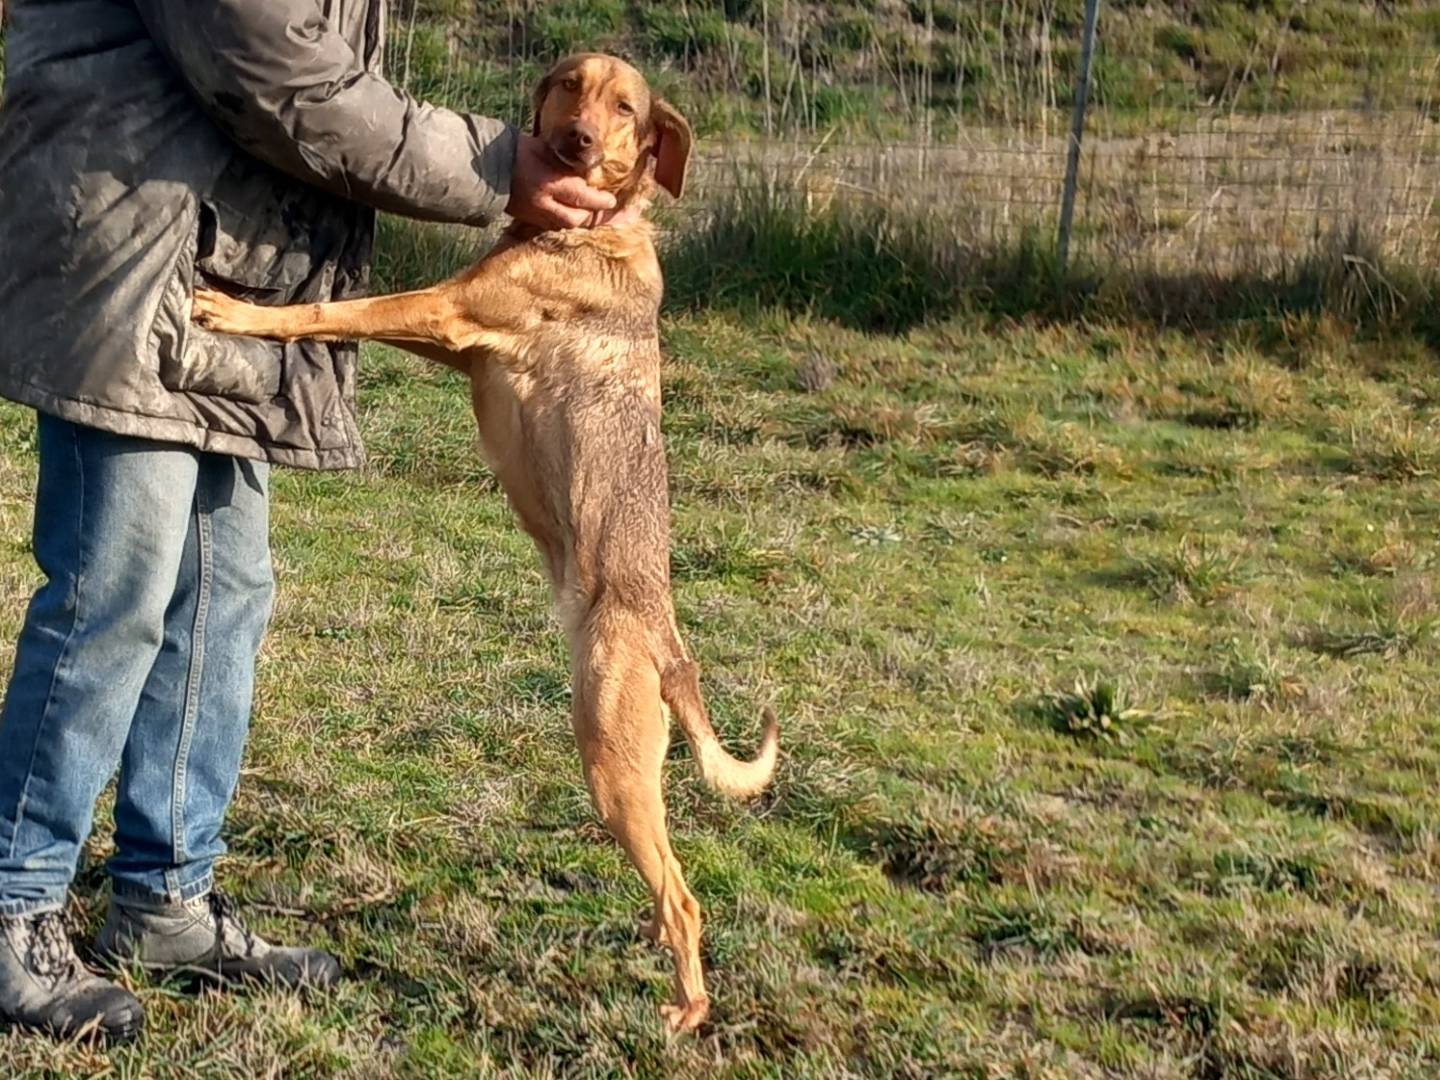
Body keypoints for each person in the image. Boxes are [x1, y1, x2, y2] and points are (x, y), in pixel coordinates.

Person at [0, 0, 620, 1042]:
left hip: (221, 262)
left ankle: (164, 898)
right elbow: (277, 73)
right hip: (130, 250)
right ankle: (14, 906)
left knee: (224, 596)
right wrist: (492, 167)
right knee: (113, 597)